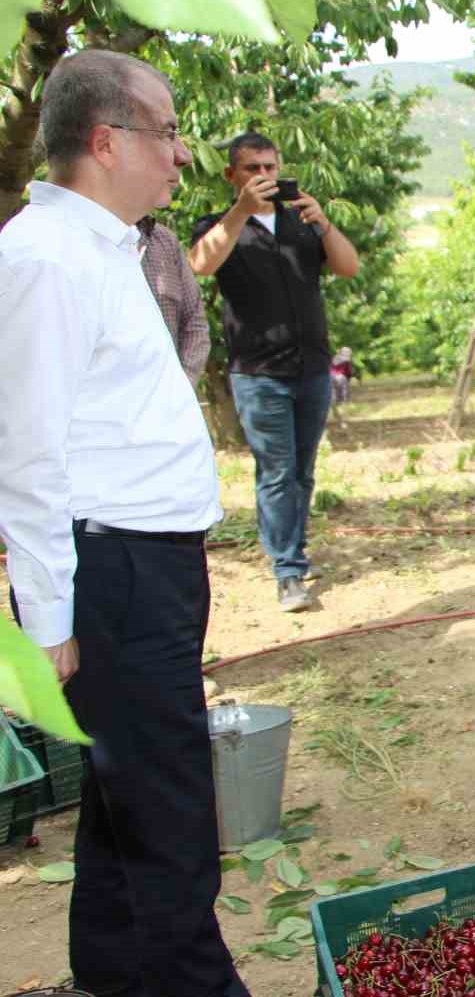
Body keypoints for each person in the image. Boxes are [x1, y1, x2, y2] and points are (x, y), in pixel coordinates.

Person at [0, 49, 247, 996]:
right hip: (114, 575)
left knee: (124, 795)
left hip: (151, 567)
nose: (183, 156)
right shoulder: (45, 258)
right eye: (169, 133)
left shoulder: (105, 248)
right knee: (172, 819)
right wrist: (50, 621)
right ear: (105, 142)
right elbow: (25, 454)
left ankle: (106, 973)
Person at [190, 132, 360, 613]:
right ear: (232, 176)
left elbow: (348, 267)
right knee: (277, 472)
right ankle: (286, 571)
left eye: (270, 167)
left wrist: (325, 224)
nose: (263, 176)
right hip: (258, 372)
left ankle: (294, 553)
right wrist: (240, 211)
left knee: (302, 472)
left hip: (310, 368)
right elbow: (201, 264)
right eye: (251, 169)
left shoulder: (301, 223)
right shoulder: (219, 225)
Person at [138, 214, 210, 385]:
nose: (174, 184)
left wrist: (182, 385)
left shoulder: (164, 239)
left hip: (167, 395)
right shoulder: (76, 235)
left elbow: (194, 320)